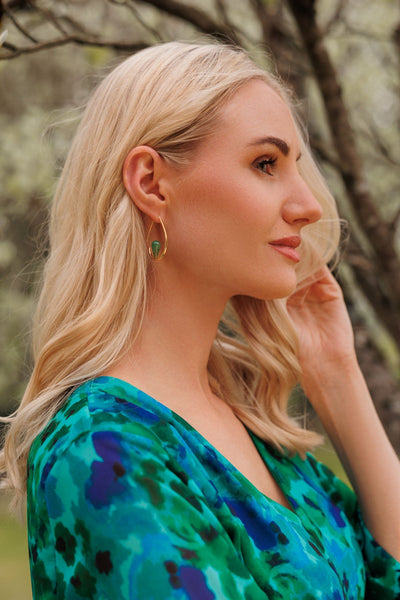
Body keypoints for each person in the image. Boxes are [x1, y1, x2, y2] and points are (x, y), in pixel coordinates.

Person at [1, 40, 399, 600]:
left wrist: (337, 375)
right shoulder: (102, 450)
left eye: (297, 168)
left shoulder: (255, 429)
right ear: (151, 183)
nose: (309, 205)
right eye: (266, 164)